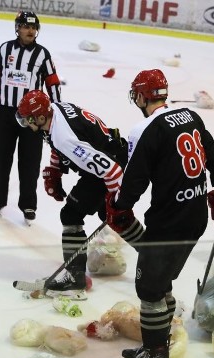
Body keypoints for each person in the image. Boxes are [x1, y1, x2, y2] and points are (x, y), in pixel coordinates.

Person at [105, 69, 214, 358]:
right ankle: (158, 343)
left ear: (141, 96)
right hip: (195, 216)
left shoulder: (145, 129)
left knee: (149, 289)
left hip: (168, 221)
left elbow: (134, 181)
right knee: (160, 285)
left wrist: (118, 207)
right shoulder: (190, 116)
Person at [14, 90, 128, 296]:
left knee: (72, 214)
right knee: (112, 218)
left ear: (40, 117)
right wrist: (55, 170)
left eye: (28, 120)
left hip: (110, 167)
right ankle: (153, 253)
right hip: (111, 154)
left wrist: (118, 202)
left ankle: (74, 277)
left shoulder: (65, 137)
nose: (27, 125)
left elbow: (112, 171)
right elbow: (54, 141)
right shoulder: (54, 110)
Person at [0, 11, 61, 224]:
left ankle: (28, 205)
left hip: (33, 117)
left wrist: (57, 109)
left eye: (34, 27)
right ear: (18, 28)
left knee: (30, 161)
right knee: (0, 159)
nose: (30, 30)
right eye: (26, 26)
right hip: (5, 113)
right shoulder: (5, 49)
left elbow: (52, 82)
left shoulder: (43, 55)